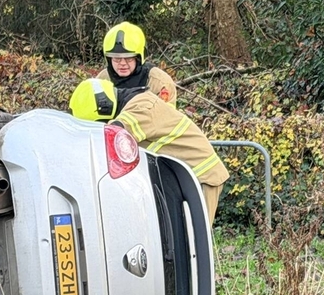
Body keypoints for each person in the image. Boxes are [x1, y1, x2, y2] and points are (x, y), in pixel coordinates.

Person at [69, 78, 229, 223]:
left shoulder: (143, 107)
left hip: (201, 177)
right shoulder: (138, 103)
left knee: (194, 243)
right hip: (183, 178)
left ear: (104, 107)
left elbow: (113, 133)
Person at [96, 22, 177, 107]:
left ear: (138, 58)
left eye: (129, 58)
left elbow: (166, 116)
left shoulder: (159, 82)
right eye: (117, 58)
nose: (123, 63)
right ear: (109, 59)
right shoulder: (102, 80)